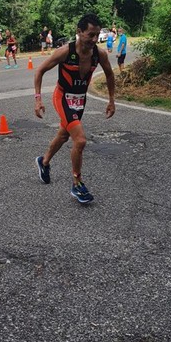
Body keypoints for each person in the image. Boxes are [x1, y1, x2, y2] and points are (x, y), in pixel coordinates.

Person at [34, 13, 115, 204]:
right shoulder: (65, 52)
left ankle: (44, 162)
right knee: (80, 140)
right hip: (62, 97)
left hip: (79, 99)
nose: (95, 40)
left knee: (63, 135)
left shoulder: (99, 54)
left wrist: (111, 100)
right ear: (79, 32)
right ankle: (77, 183)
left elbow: (110, 75)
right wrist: (38, 99)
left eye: (97, 35)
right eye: (90, 35)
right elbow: (39, 71)